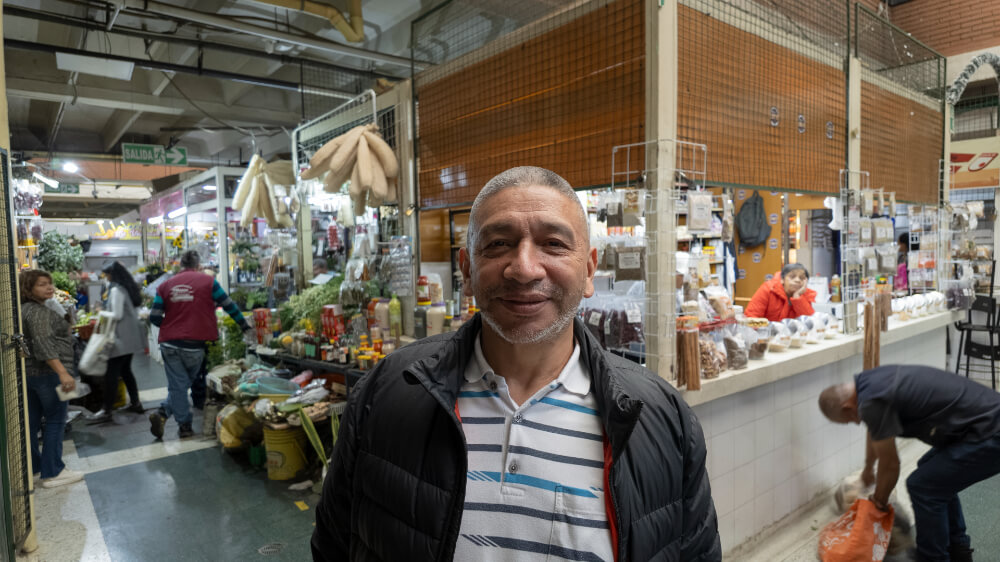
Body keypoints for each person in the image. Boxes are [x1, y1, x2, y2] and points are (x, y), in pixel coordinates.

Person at [312, 166, 720, 561]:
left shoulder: (663, 422)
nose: (524, 269)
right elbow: (334, 545)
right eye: (498, 244)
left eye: (554, 244)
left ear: (590, 270)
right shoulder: (387, 393)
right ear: (467, 271)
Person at [818, 364, 1000, 562]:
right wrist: (868, 469)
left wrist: (878, 504)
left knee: (923, 486)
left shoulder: (871, 403)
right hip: (983, 421)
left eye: (850, 420)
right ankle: (957, 549)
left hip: (990, 431)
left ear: (847, 407)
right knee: (932, 473)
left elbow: (891, 465)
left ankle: (933, 558)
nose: (856, 422)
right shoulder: (868, 383)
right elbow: (875, 430)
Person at [148, 250, 252, 439]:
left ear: (181, 265)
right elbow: (229, 305)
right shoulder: (209, 282)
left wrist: (171, 326)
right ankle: (184, 426)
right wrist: (244, 325)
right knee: (181, 385)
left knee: (179, 385)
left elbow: (154, 317)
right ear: (198, 266)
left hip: (169, 344)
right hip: (194, 346)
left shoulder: (164, 286)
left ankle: (164, 413)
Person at [19, 269, 85, 488]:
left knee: (32, 423)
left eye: (49, 283)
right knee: (56, 420)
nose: (48, 288)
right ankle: (53, 472)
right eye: (41, 284)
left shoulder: (26, 309)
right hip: (48, 375)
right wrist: (63, 372)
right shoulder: (37, 312)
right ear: (29, 289)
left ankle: (37, 467)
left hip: (31, 375)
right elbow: (43, 344)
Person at [88, 262, 145, 424]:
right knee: (126, 370)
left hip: (121, 338)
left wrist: (100, 312)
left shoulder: (116, 290)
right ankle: (136, 403)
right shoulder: (124, 288)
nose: (105, 278)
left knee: (111, 373)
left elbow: (117, 314)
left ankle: (106, 410)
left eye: (106, 274)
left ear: (111, 274)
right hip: (129, 337)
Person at [745, 263, 816, 321]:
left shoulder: (805, 294)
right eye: (792, 277)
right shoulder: (768, 289)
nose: (797, 280)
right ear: (782, 279)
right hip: (765, 334)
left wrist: (797, 297)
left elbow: (809, 322)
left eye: (801, 278)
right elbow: (751, 317)